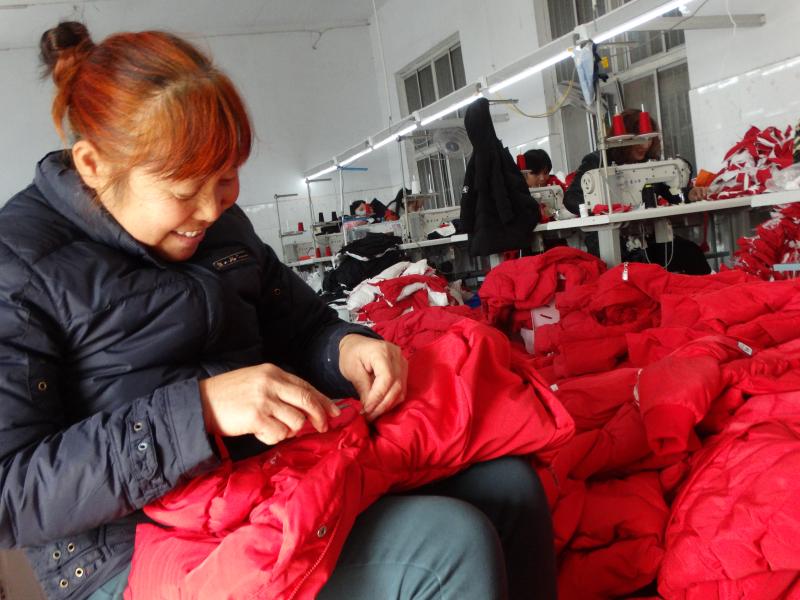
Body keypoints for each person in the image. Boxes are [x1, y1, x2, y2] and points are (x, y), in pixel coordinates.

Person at [0, 22, 556, 600]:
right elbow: (10, 491)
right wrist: (199, 411)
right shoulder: (17, 265)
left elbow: (303, 326)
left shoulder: (222, 225)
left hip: (264, 481)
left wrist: (347, 348)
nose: (210, 209)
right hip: (130, 549)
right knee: (447, 549)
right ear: (93, 165)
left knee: (511, 488)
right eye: (184, 191)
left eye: (227, 179)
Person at [564, 108, 711, 274]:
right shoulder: (597, 161)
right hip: (609, 238)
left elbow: (669, 191)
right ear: (624, 138)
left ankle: (710, 289)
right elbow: (570, 199)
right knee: (633, 272)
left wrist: (689, 194)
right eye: (639, 138)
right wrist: (601, 209)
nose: (645, 145)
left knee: (691, 253)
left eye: (649, 139)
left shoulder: (648, 163)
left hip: (645, 236)